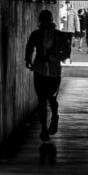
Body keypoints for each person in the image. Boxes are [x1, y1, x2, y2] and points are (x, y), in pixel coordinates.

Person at [23, 8, 71, 141]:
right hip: (50, 71)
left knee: (45, 100)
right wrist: (29, 59)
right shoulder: (58, 35)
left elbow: (29, 47)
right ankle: (46, 127)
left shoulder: (39, 34)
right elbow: (66, 53)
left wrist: (29, 60)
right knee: (48, 99)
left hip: (44, 71)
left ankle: (50, 122)